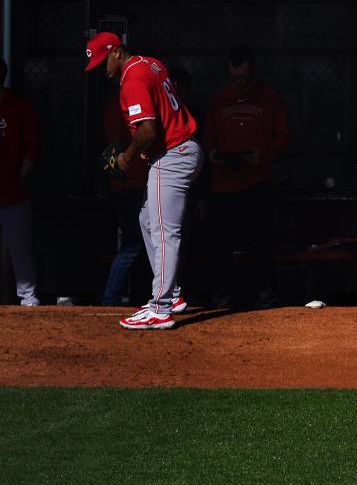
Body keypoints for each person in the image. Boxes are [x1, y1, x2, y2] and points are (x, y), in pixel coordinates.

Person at [84, 32, 202, 329]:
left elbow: (148, 131)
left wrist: (126, 156)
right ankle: (172, 295)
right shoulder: (149, 63)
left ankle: (161, 308)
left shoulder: (132, 78)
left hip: (173, 154)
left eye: (103, 61)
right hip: (179, 150)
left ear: (116, 52)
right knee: (147, 220)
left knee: (163, 231)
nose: (102, 69)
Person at [200, 45, 289, 308]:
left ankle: (264, 297)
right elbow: (207, 136)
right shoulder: (219, 99)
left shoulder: (270, 98)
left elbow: (283, 136)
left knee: (260, 243)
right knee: (221, 246)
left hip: (257, 181)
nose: (239, 84)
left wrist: (264, 155)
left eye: (244, 78)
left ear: (253, 72)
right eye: (234, 78)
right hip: (224, 183)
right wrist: (213, 152)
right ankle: (223, 298)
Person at [99, 95, 149, 306]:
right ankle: (111, 297)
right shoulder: (119, 107)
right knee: (134, 242)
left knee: (140, 243)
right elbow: (141, 135)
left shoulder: (117, 105)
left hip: (128, 184)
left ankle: (139, 296)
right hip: (129, 184)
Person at [0, 58, 40, 306]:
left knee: (19, 246)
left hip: (12, 190)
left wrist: (18, 177)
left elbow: (32, 148)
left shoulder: (19, 107)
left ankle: (28, 297)